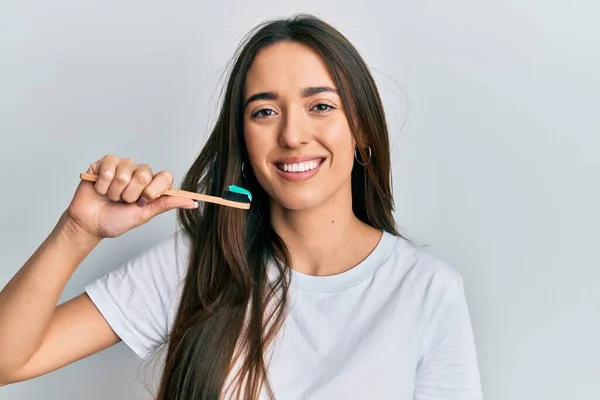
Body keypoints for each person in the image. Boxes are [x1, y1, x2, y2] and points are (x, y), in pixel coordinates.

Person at [0, 14, 483, 400]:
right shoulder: (197, 265)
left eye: (321, 106)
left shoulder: (427, 290)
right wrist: (77, 230)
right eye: (265, 112)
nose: (292, 135)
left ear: (361, 129)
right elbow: (8, 361)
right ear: (243, 138)